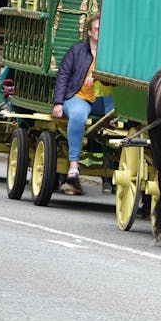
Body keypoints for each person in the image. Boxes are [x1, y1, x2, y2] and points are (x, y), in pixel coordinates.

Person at [52, 13, 114, 195]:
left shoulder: (110, 54)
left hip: (103, 99)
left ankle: (110, 173)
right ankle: (73, 164)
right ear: (89, 32)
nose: (100, 32)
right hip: (79, 96)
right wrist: (58, 102)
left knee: (118, 120)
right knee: (78, 116)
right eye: (97, 28)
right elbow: (63, 76)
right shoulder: (77, 51)